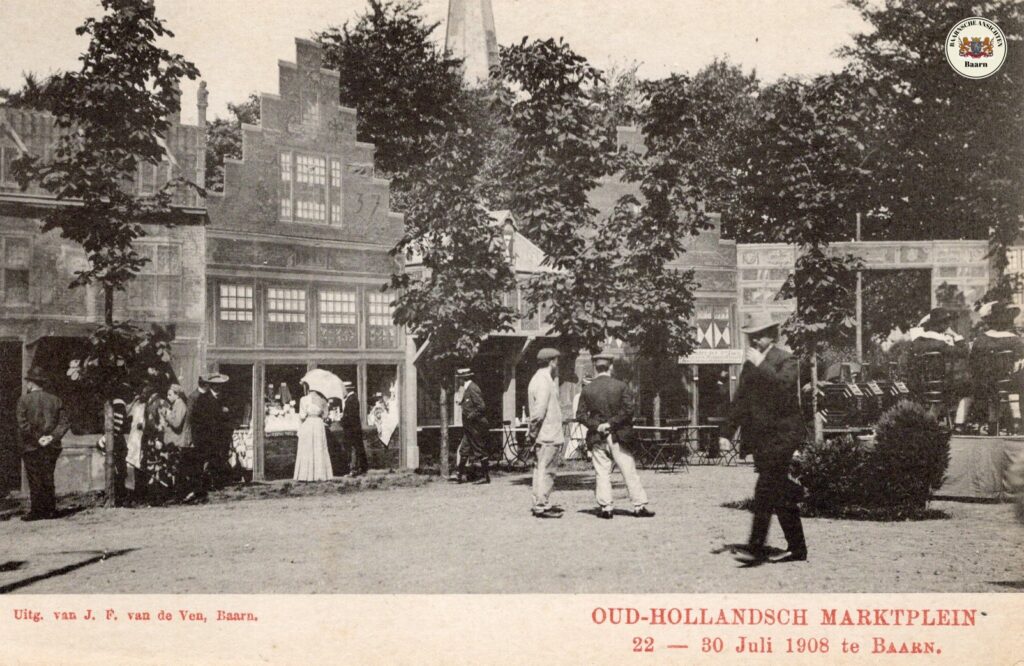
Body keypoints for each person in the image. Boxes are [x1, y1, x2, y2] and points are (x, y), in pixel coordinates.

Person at [722, 313, 807, 564]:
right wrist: (726, 432)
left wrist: (761, 365)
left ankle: (757, 547)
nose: (754, 340)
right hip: (762, 439)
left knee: (765, 490)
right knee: (778, 493)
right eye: (751, 336)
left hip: (783, 436)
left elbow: (784, 387)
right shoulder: (751, 364)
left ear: (771, 336)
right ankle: (797, 548)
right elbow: (741, 400)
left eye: (759, 335)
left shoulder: (786, 359)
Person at [576, 353, 653, 519]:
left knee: (602, 473)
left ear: (595, 368)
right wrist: (611, 423)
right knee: (629, 472)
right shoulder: (621, 386)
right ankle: (639, 506)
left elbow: (580, 415)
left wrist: (597, 425)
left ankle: (606, 508)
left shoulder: (587, 389)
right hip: (618, 435)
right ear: (610, 366)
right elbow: (629, 409)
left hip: (597, 436)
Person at [16, 367, 69, 521]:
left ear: (31, 383)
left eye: (28, 382)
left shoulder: (23, 400)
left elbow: (22, 424)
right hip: (51, 445)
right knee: (48, 476)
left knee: (34, 479)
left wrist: (37, 438)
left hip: (31, 445)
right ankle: (50, 510)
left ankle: (37, 511)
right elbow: (64, 423)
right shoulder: (56, 400)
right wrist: (51, 437)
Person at [970, 301, 1024, 434]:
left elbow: (973, 362)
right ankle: (1017, 420)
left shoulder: (981, 340)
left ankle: (992, 423)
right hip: (1011, 382)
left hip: (987, 383)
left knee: (993, 393)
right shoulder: (1015, 340)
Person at [527, 348, 564, 518]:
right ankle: (541, 505)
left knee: (541, 469)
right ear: (551, 362)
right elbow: (539, 411)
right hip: (547, 433)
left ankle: (540, 502)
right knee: (546, 470)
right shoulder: (543, 380)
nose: (557, 364)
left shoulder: (539, 378)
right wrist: (533, 432)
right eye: (556, 360)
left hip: (545, 433)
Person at [183, 373, 228, 502]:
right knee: (201, 463)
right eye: (216, 385)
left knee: (214, 461)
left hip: (215, 437)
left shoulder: (220, 399)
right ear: (211, 386)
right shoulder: (203, 399)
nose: (219, 388)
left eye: (220, 385)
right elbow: (196, 419)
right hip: (204, 437)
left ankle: (210, 486)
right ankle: (198, 490)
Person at [454, 368, 490, 484]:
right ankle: (459, 476)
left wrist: (470, 416)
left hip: (476, 425)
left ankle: (485, 476)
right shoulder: (466, 389)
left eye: (459, 378)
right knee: (464, 449)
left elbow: (481, 407)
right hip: (469, 426)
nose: (458, 381)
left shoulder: (473, 388)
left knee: (479, 449)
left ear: (464, 378)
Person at [294, 382, 333, 481]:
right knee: (319, 447)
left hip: (309, 424)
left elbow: (302, 416)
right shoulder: (323, 400)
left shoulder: (304, 399)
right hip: (319, 424)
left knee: (307, 448)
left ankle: (306, 475)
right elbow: (325, 416)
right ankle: (320, 475)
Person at [163, 384, 191, 492]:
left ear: (177, 395)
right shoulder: (175, 404)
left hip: (178, 442)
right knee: (174, 469)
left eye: (170, 395)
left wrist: (167, 415)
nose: (167, 397)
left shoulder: (180, 405)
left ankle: (180, 492)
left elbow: (176, 423)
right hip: (174, 442)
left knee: (178, 469)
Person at [341, 381, 367, 477]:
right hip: (354, 428)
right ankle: (359, 468)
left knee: (353, 449)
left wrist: (343, 420)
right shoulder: (352, 398)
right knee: (357, 447)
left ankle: (355, 469)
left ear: (347, 389)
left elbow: (350, 416)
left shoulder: (351, 399)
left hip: (352, 429)